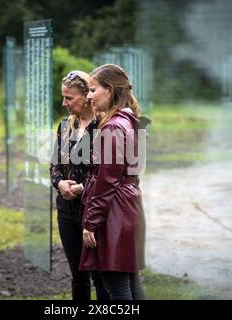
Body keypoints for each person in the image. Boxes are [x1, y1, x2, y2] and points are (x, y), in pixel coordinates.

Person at [80, 64, 146, 300]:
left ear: (109, 90)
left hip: (114, 215)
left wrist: (91, 223)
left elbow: (107, 181)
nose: (89, 96)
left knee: (117, 288)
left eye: (93, 89)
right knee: (130, 283)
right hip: (127, 209)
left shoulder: (114, 127)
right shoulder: (127, 120)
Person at [50, 70, 109, 301]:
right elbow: (54, 164)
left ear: (86, 96)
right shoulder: (65, 125)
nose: (64, 103)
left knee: (99, 276)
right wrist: (60, 184)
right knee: (78, 274)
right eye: (63, 97)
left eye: (69, 98)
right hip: (65, 209)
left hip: (92, 209)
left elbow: (106, 173)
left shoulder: (105, 126)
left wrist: (81, 189)